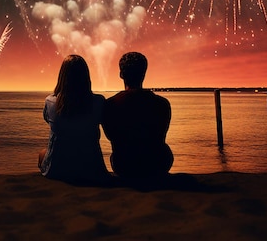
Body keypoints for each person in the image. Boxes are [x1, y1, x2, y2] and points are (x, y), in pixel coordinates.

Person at [102, 52, 173, 180]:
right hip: (157, 165)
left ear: (121, 74)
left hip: (124, 166)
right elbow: (161, 134)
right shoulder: (162, 103)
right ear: (144, 73)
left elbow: (110, 136)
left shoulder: (110, 104)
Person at [38, 54, 109, 184]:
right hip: (92, 169)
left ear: (62, 76)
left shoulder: (50, 101)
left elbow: (48, 119)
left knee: (42, 153)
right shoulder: (98, 101)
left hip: (57, 170)